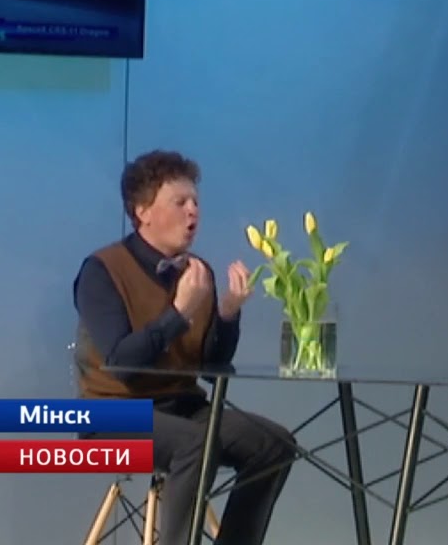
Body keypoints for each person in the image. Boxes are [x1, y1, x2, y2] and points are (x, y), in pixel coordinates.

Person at [72, 150, 297, 545]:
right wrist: (178, 313)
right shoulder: (102, 271)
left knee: (274, 444)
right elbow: (122, 364)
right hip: (111, 414)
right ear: (143, 211)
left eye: (196, 202)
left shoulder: (197, 273)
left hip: (183, 408)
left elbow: (210, 367)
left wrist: (227, 314)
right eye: (180, 202)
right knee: (195, 444)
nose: (193, 211)